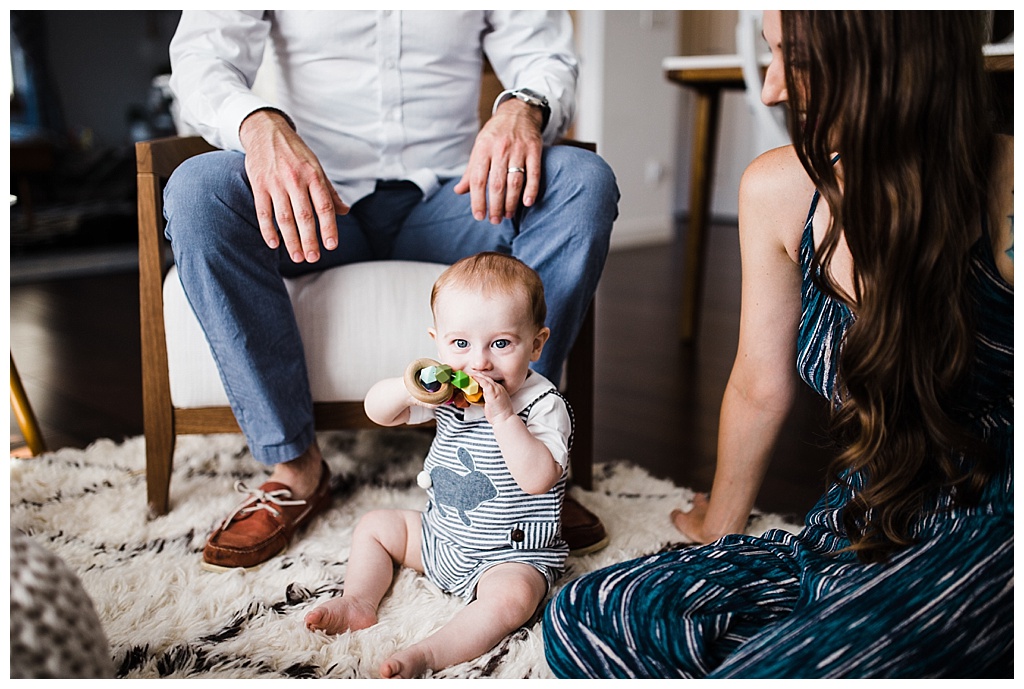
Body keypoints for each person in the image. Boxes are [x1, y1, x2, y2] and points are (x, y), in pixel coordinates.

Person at [543, 10, 1012, 678]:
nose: (769, 89)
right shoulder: (780, 191)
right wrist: (717, 526)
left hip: (993, 526)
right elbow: (759, 385)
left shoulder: (1008, 189)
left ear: (889, 53)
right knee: (589, 614)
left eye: (796, 58)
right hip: (862, 520)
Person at [163, 11, 618, 572]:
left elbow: (546, 54)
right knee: (197, 191)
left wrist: (523, 106)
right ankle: (294, 465)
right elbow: (201, 58)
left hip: (458, 198)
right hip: (314, 202)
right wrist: (256, 123)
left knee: (584, 181)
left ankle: (530, 464)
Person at [304, 252, 573, 678]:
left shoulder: (543, 405)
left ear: (536, 344)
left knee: (514, 600)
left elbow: (538, 478)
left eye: (501, 344)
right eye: (460, 344)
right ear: (439, 342)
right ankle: (358, 601)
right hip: (439, 537)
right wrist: (410, 389)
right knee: (375, 524)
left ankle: (430, 653)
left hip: (510, 554)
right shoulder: (447, 391)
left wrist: (503, 417)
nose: (479, 362)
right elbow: (378, 412)